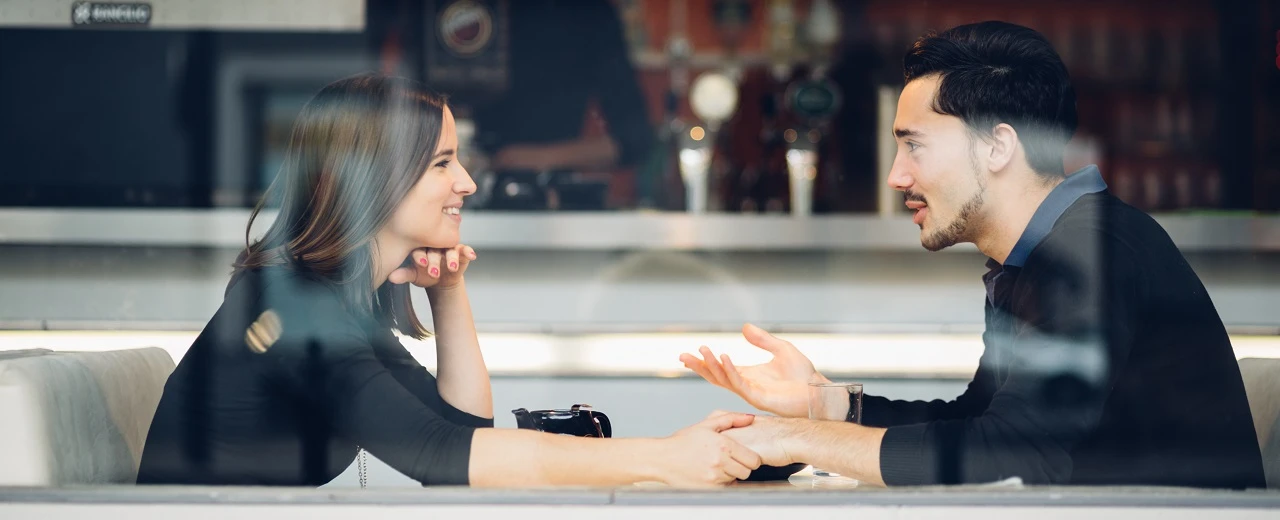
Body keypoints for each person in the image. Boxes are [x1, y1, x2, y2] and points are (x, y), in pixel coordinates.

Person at [681, 22, 1266, 489]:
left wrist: (796, 440)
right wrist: (824, 405)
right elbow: (981, 422)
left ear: (998, 145)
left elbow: (1014, 457)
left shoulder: (1090, 253)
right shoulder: (1042, 252)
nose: (895, 175)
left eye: (914, 145)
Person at [138, 73, 760, 488]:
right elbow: (440, 459)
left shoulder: (333, 302)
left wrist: (448, 290)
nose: (466, 183)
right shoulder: (293, 308)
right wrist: (663, 457)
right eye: (442, 163)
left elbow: (462, 433)